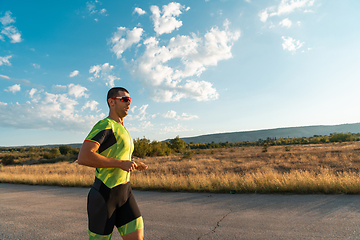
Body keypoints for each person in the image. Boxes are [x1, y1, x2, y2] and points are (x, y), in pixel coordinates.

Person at [78, 87, 148, 240]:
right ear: (111, 102)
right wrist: (120, 163)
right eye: (124, 100)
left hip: (125, 194)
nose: (128, 103)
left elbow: (118, 156)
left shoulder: (123, 129)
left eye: (130, 100)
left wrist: (133, 163)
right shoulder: (105, 125)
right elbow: (83, 157)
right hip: (104, 196)